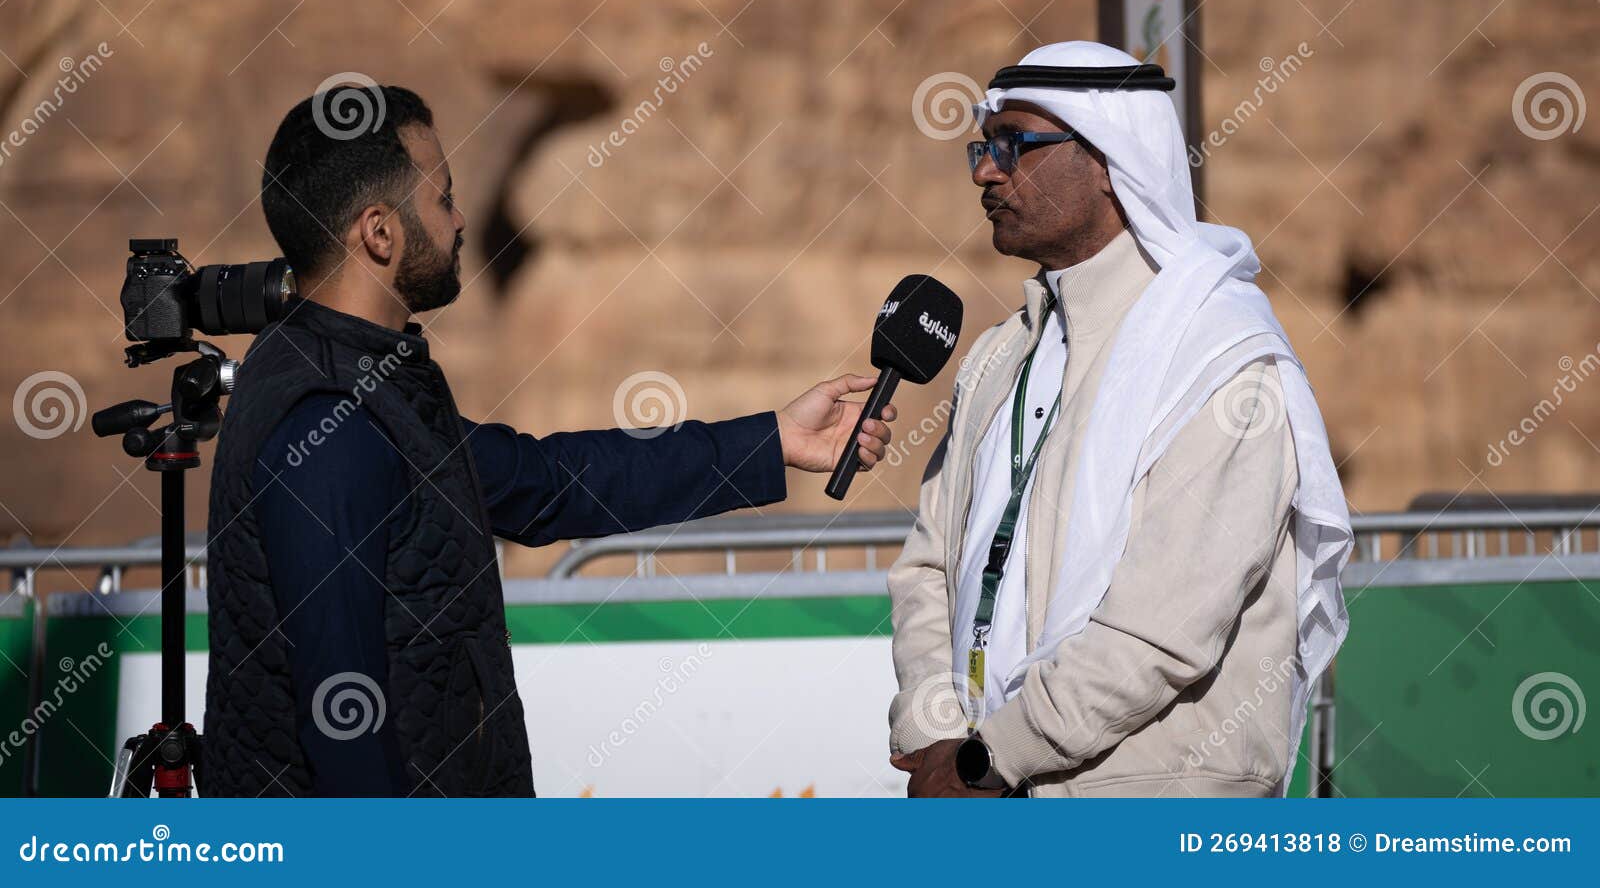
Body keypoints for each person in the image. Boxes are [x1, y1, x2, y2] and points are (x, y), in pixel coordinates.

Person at [204, 82, 898, 797]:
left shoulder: (366, 384)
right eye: (441, 198)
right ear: (379, 233)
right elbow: (342, 722)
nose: (460, 217)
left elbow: (550, 482)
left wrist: (772, 440)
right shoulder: (329, 424)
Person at [886, 41, 1352, 798]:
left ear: (1109, 160)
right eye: (983, 146)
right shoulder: (1001, 355)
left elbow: (1161, 632)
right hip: (982, 793)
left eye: (1016, 146)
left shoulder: (1219, 360)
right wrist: (940, 732)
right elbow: (928, 568)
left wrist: (990, 758)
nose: (984, 171)